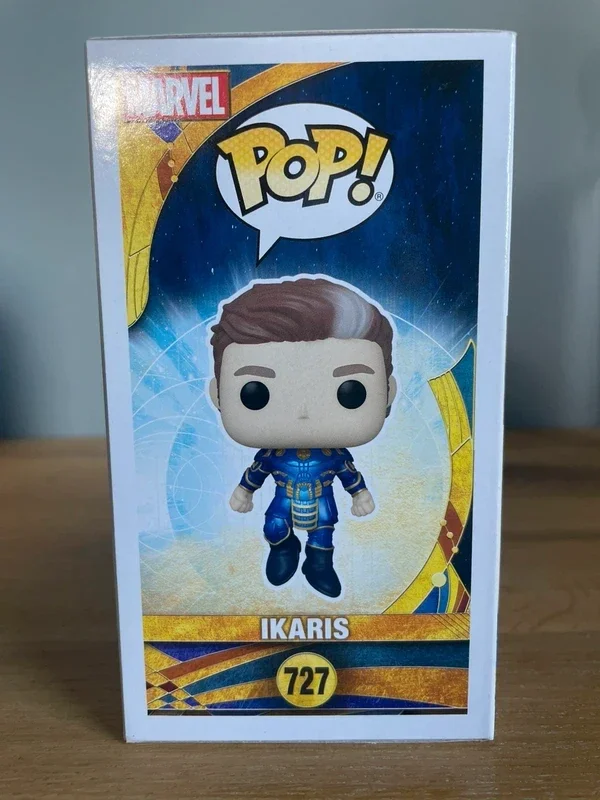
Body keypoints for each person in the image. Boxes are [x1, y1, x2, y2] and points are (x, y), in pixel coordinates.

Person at [209, 276, 396, 598]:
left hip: (322, 502)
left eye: (351, 392)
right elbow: (257, 472)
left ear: (388, 393)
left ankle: (318, 564)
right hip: (283, 501)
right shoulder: (273, 454)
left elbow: (349, 475)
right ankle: (284, 549)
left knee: (323, 534)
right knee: (274, 527)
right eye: (255, 392)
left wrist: (360, 494)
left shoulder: (334, 455)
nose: (304, 412)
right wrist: (244, 491)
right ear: (218, 395)